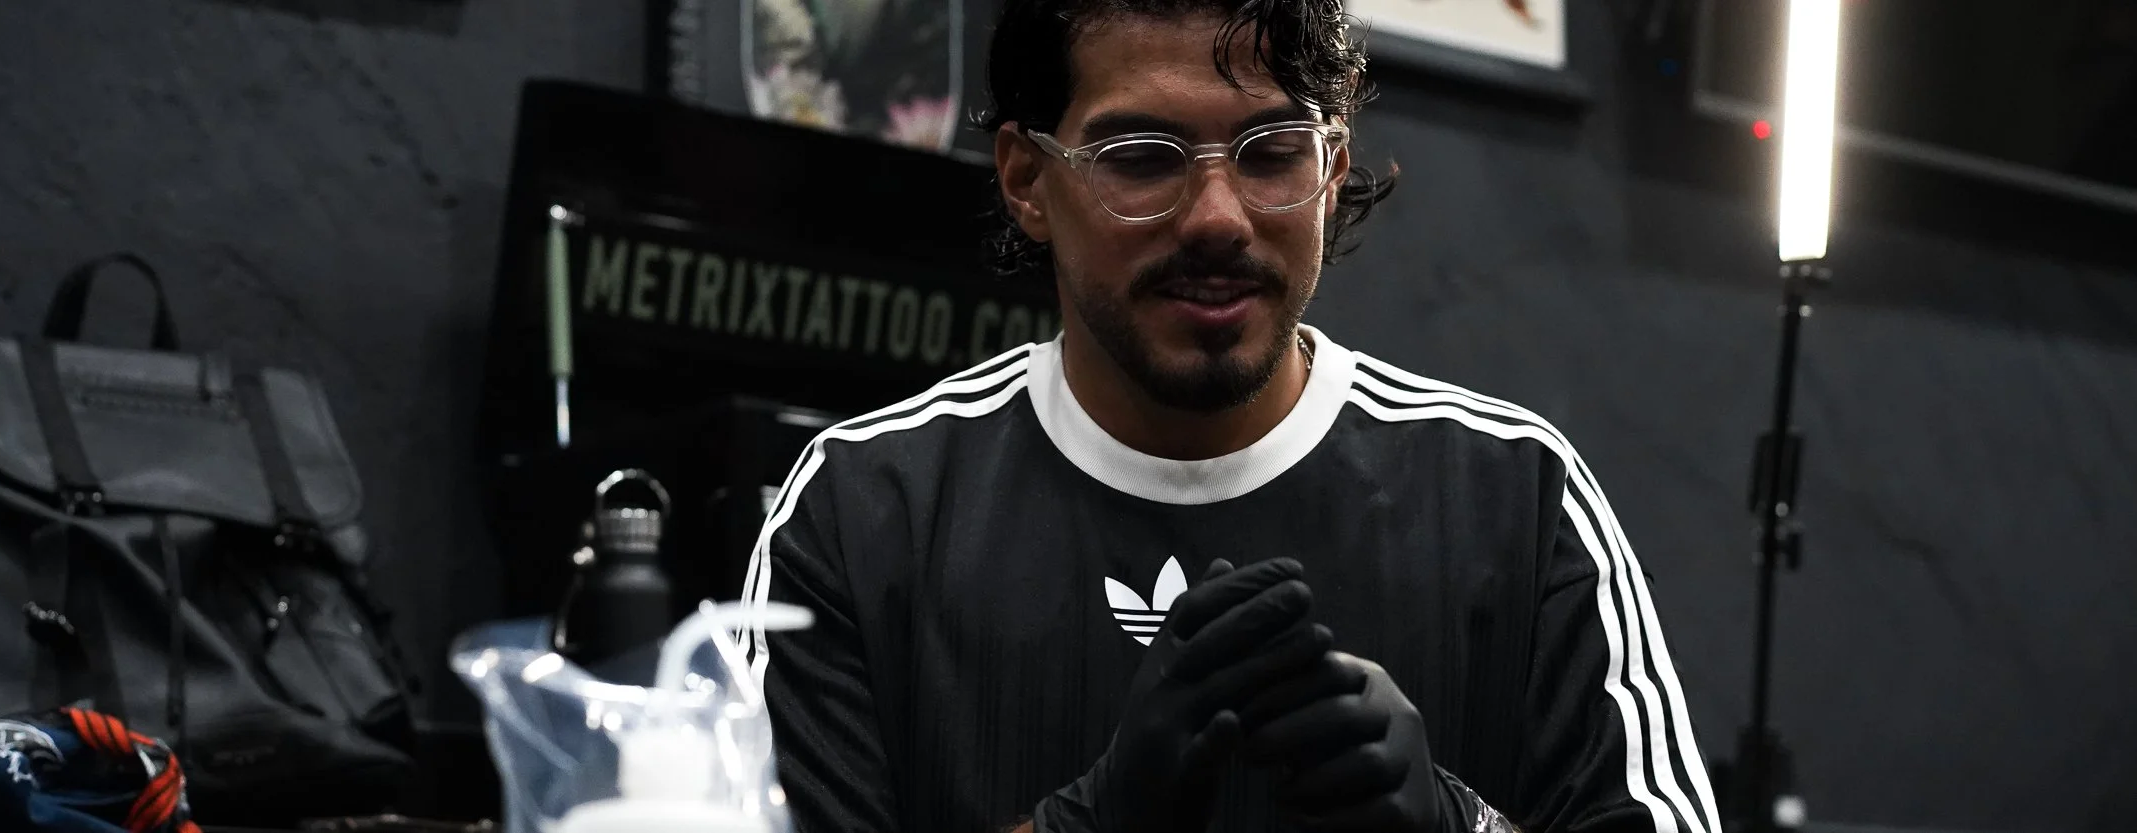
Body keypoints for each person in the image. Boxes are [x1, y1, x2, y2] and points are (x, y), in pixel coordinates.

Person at [736, 1, 1722, 831]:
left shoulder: (1513, 495)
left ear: (1332, 172)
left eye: (1271, 151)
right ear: (1027, 179)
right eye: (1140, 155)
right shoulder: (865, 512)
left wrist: (1456, 821)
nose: (1216, 214)